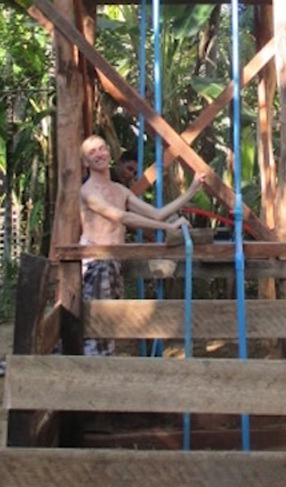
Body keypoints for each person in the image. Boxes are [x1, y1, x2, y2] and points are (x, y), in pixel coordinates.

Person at [79, 134, 205, 355]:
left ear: (108, 153)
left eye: (101, 148)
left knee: (110, 320)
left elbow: (158, 214)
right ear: (85, 163)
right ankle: (93, 371)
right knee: (97, 322)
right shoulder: (87, 192)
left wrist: (192, 190)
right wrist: (168, 228)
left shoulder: (120, 191)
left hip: (114, 261)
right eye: (92, 152)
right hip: (96, 261)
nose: (98, 154)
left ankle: (101, 368)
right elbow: (122, 218)